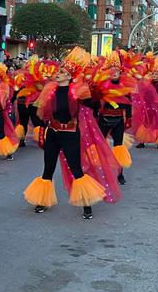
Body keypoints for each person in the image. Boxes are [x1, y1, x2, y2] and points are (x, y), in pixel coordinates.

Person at [24, 49, 122, 220]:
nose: (58, 74)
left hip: (70, 134)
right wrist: (41, 128)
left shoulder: (78, 92)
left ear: (69, 77)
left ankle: (87, 204)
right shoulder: (50, 90)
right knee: (48, 168)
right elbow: (41, 112)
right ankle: (42, 201)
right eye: (59, 71)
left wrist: (97, 91)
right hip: (53, 133)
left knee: (77, 170)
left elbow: (94, 105)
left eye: (62, 72)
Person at [95, 54, 133, 185]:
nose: (114, 73)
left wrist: (128, 118)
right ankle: (99, 171)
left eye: (117, 70)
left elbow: (129, 103)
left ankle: (119, 174)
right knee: (99, 146)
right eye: (111, 70)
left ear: (120, 72)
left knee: (118, 147)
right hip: (103, 119)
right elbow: (96, 101)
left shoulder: (125, 85)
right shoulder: (102, 84)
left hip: (118, 120)